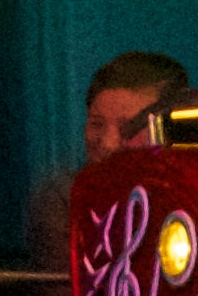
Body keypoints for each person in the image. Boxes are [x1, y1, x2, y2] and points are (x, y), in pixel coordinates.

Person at [31, 49, 189, 271]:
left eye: (129, 127)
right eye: (97, 124)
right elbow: (73, 288)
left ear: (170, 129)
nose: (108, 144)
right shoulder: (64, 199)